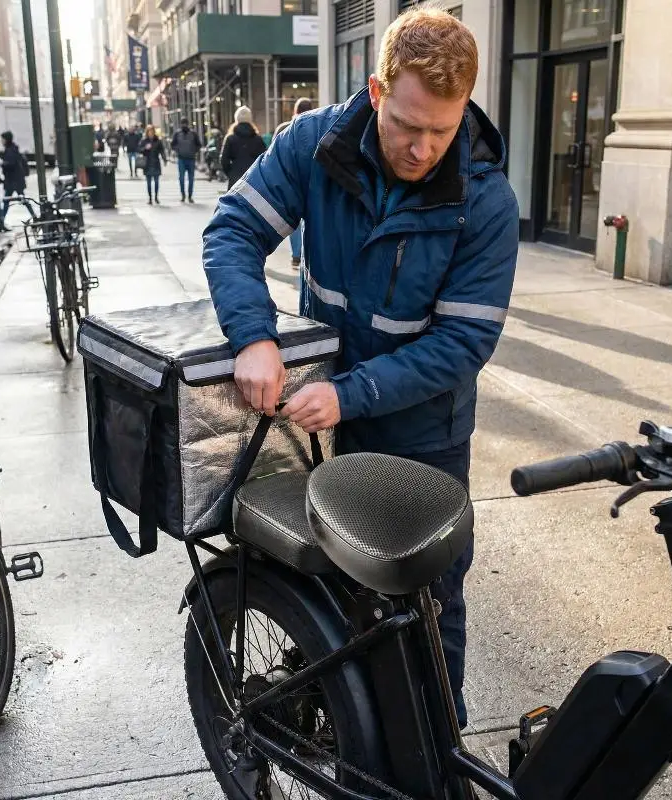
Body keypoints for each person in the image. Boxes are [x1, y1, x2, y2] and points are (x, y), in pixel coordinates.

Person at [202, 8, 519, 731]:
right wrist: (254, 337)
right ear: (377, 92)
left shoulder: (486, 199)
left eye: (442, 130)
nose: (423, 148)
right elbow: (234, 229)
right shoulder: (314, 145)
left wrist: (353, 394)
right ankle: (347, 726)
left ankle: (433, 750)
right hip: (316, 421)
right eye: (407, 125)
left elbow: (463, 343)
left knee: (429, 600)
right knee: (330, 579)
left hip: (421, 434)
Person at [274, 97, 313, 268]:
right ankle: (307, 256)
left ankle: (296, 255)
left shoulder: (284, 128)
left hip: (289, 181)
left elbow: (273, 155)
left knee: (294, 222)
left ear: (295, 110)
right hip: (311, 183)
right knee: (310, 221)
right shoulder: (319, 128)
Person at [219, 106, 266, 190]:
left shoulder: (230, 139)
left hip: (235, 179)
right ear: (250, 119)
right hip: (253, 178)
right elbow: (264, 160)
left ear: (236, 119)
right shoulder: (258, 139)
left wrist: (231, 173)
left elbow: (224, 160)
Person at [0, 131, 35, 220]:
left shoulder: (10, 150)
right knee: (11, 199)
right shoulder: (12, 148)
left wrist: (3, 164)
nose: (1, 141)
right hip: (14, 179)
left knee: (16, 199)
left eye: (3, 139)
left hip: (14, 180)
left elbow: (11, 164)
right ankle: (1, 218)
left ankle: (2, 218)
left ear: (6, 139)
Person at [171, 117, 202, 203]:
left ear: (188, 124)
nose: (184, 125)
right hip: (181, 159)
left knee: (191, 179)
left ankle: (190, 196)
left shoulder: (193, 133)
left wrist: (194, 151)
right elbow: (172, 144)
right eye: (183, 123)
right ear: (181, 124)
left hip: (191, 159)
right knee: (181, 178)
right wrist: (178, 150)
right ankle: (183, 195)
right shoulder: (177, 133)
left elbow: (199, 145)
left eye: (185, 123)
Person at [139, 124, 166, 205]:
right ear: (147, 132)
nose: (150, 133)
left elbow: (162, 150)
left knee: (156, 182)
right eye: (149, 131)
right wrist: (145, 148)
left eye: (152, 131)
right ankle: (150, 198)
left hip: (156, 163)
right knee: (149, 183)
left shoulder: (158, 140)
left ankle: (156, 197)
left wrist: (164, 159)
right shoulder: (144, 141)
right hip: (147, 164)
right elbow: (139, 150)